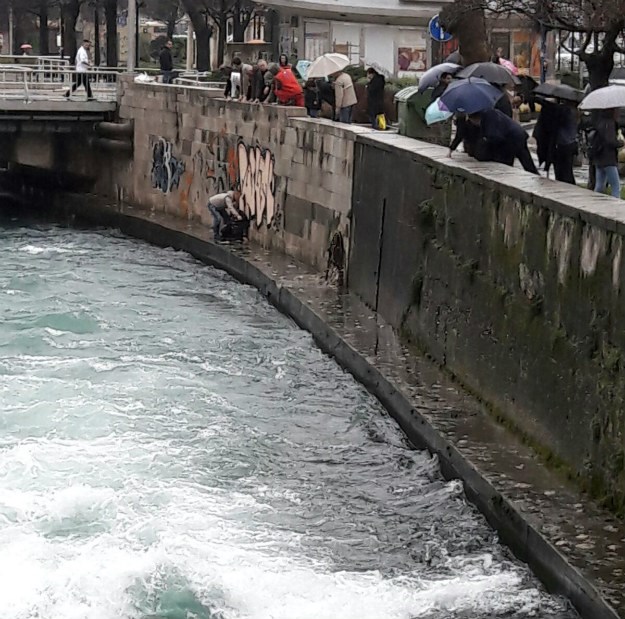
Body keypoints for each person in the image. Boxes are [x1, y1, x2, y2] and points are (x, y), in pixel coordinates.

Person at [469, 108, 538, 174]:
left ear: (475, 119)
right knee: (527, 162)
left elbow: (495, 137)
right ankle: (537, 177)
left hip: (512, 139)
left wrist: (485, 141)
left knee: (508, 165)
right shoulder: (489, 113)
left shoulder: (488, 118)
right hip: (518, 135)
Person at [591, 108, 622, 198]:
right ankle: (615, 207)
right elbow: (610, 141)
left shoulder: (600, 122)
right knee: (616, 186)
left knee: (599, 185)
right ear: (612, 111)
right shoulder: (610, 123)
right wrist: (620, 143)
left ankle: (594, 203)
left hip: (599, 157)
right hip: (609, 158)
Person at [553, 100, 579, 184]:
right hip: (571, 143)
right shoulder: (575, 112)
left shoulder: (566, 111)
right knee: (568, 169)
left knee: (563, 170)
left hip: (564, 144)